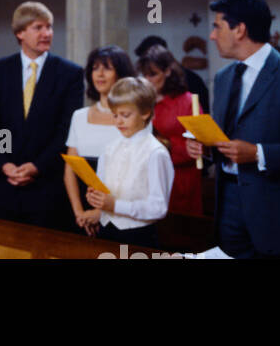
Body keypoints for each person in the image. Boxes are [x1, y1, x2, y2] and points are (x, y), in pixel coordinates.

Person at [185, 0, 280, 258]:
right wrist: (208, 149)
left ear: (239, 29)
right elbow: (229, 137)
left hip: (279, 213)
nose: (212, 35)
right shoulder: (224, 77)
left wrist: (258, 153)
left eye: (217, 26)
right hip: (229, 204)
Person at [0, 1, 84, 231]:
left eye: (49, 27)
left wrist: (37, 166)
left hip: (47, 186)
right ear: (20, 32)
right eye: (38, 27)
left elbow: (66, 129)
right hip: (6, 186)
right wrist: (5, 163)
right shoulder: (0, 70)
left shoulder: (70, 74)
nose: (46, 33)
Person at [83, 77, 173, 248]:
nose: (118, 121)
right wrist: (96, 199)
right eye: (115, 115)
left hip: (138, 236)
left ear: (145, 112)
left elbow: (158, 208)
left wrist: (116, 205)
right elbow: (104, 191)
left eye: (125, 115)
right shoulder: (109, 149)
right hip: (106, 230)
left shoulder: (155, 152)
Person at [64, 45, 135, 235]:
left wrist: (100, 213)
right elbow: (70, 169)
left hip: (119, 210)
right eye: (95, 68)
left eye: (107, 68)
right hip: (81, 210)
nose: (100, 74)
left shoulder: (133, 117)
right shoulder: (79, 116)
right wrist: (79, 213)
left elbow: (133, 173)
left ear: (121, 75)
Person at [137, 45, 203, 216]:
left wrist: (166, 144)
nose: (147, 80)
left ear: (167, 71)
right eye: (144, 75)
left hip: (180, 179)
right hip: (147, 179)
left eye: (153, 74)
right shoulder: (141, 102)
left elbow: (200, 147)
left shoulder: (187, 101)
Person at [135, 35, 209, 115]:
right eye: (145, 73)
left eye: (152, 74)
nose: (147, 80)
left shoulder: (189, 83)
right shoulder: (145, 97)